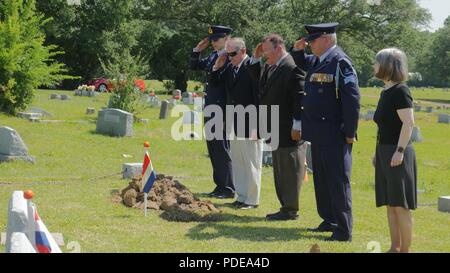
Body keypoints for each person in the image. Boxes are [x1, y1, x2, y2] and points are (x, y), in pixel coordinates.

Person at [292, 23, 360, 241]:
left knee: (337, 181)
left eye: (314, 40)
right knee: (321, 180)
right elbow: (301, 62)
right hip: (318, 133)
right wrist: (297, 50)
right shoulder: (320, 61)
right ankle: (329, 219)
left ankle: (343, 229)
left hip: (335, 133)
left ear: (328, 39)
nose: (310, 43)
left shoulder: (340, 62)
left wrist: (350, 131)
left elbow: (352, 100)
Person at [248, 34, 307, 220]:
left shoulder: (291, 66)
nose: (265, 55)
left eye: (267, 51)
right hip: (275, 126)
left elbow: (300, 97)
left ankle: (290, 209)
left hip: (288, 126)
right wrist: (255, 57)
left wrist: (298, 123)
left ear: (278, 48)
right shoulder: (272, 65)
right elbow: (259, 81)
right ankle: (285, 206)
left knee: (290, 168)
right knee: (280, 169)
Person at [372, 48, 417, 253]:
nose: (374, 66)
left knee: (400, 205)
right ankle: (394, 248)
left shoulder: (401, 91)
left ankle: (405, 250)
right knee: (390, 204)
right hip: (384, 151)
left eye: (377, 62)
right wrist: (377, 152)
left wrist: (399, 151)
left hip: (398, 152)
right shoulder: (386, 91)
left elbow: (408, 124)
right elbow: (385, 127)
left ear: (388, 66)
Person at [210, 38, 262, 209]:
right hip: (234, 119)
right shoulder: (230, 68)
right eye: (228, 53)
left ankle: (252, 199)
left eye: (233, 53)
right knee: (238, 161)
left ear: (243, 51)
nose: (230, 57)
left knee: (251, 161)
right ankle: (241, 195)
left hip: (251, 121)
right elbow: (216, 82)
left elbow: (258, 97)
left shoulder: (252, 67)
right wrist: (218, 65)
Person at [189, 25, 235, 199]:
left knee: (222, 149)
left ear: (226, 39)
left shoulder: (230, 57)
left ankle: (229, 187)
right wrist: (196, 51)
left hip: (221, 109)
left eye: (217, 39)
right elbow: (194, 66)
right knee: (213, 148)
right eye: (212, 40)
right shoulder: (214, 56)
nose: (214, 43)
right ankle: (220, 185)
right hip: (210, 107)